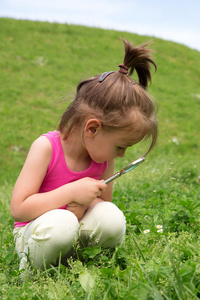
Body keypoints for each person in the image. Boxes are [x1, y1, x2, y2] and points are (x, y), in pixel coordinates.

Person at [10, 38, 157, 272]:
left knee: (111, 216)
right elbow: (19, 209)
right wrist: (70, 193)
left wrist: (84, 204)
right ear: (92, 129)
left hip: (74, 228)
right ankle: (33, 273)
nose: (121, 155)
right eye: (120, 147)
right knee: (62, 223)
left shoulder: (103, 158)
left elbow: (102, 204)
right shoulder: (46, 147)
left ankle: (89, 265)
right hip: (36, 233)